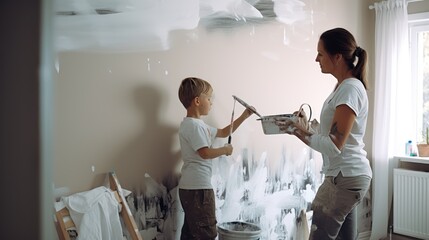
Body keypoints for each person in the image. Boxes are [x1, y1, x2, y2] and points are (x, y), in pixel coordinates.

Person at [276, 28, 373, 239]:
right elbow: (333, 136)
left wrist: (297, 131)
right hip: (348, 176)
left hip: (344, 178)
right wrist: (307, 127)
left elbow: (333, 145)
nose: (316, 59)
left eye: (320, 53)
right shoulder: (343, 87)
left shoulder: (350, 89)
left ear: (337, 56)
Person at [177, 77, 255, 240]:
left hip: (190, 188)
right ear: (197, 101)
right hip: (199, 190)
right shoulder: (194, 126)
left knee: (191, 233)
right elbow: (204, 153)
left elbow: (224, 132)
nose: (211, 102)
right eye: (209, 98)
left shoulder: (198, 125)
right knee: (206, 233)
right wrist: (225, 150)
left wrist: (244, 116)